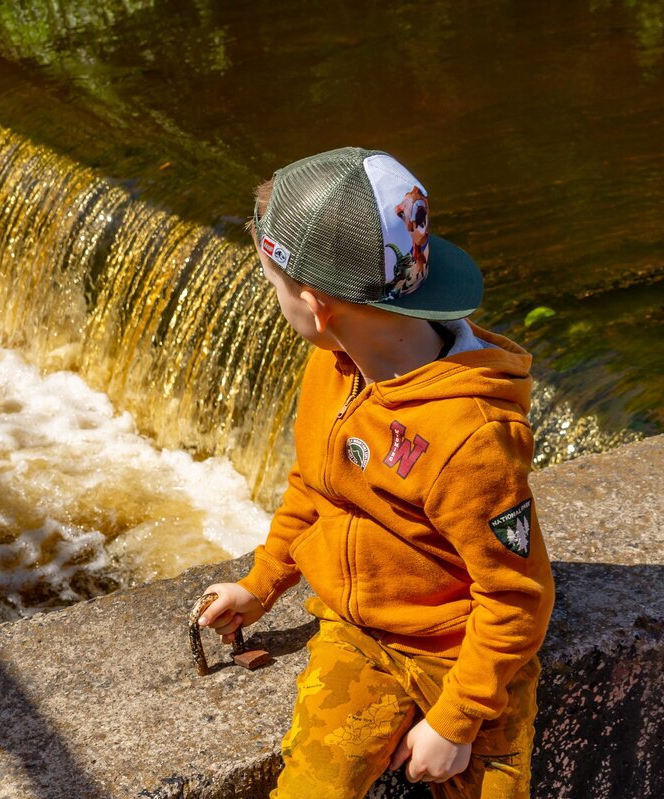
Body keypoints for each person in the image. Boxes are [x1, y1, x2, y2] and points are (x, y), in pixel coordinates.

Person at [197, 147, 554, 799]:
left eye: (273, 287)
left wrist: (455, 718)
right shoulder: (337, 365)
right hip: (359, 631)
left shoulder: (471, 438)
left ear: (314, 303)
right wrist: (262, 582)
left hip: (460, 648)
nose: (275, 301)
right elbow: (315, 484)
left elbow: (515, 596)